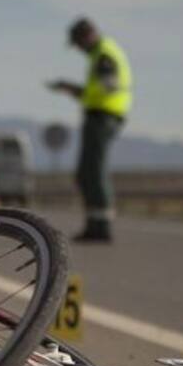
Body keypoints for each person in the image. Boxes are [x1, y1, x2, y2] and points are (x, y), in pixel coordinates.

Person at [47, 18, 133, 243]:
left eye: (78, 43)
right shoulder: (100, 54)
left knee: (94, 171)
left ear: (87, 36)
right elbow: (96, 90)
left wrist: (79, 91)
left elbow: (109, 87)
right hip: (101, 114)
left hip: (103, 116)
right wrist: (72, 89)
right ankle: (94, 224)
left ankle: (101, 226)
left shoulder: (104, 54)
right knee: (87, 173)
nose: (78, 49)